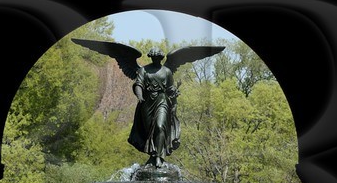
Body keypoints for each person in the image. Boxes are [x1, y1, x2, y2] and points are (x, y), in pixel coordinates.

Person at [73, 39, 225, 167]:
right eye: (154, 57)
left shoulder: (167, 71)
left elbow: (170, 89)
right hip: (146, 103)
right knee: (148, 132)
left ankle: (158, 156)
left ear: (161, 57)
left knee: (159, 126)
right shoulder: (143, 71)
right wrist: (139, 96)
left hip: (162, 101)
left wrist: (174, 94)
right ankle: (152, 155)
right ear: (151, 57)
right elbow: (138, 84)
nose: (156, 59)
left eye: (158, 57)